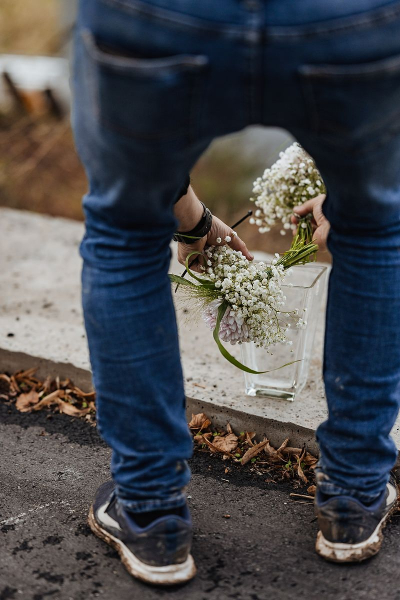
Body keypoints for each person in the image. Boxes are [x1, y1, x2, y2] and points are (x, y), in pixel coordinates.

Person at [72, 0, 400, 584]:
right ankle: (353, 498)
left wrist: (187, 216)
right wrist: (361, 199)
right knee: (377, 232)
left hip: (159, 14)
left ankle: (151, 513)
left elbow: (136, 199)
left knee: (125, 231)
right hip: (349, 18)